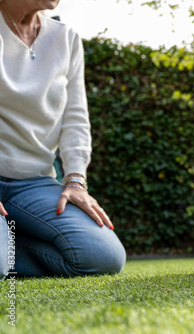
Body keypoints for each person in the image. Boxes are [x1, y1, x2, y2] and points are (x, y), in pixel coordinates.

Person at [0, 0, 126, 279]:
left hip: (33, 184)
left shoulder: (65, 38)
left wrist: (75, 180)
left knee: (105, 257)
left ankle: (7, 244)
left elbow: (75, 117)